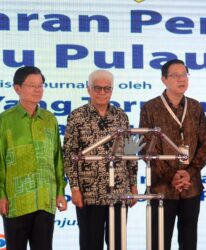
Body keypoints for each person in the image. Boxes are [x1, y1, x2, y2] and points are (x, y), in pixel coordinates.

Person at [0, 66, 67, 250]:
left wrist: (60, 191)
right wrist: (0, 194)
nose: (37, 90)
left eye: (40, 85)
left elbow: (57, 158)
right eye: (32, 85)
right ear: (17, 88)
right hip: (16, 200)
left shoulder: (50, 119)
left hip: (45, 197)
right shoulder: (5, 119)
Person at [63, 70, 138, 250]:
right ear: (88, 89)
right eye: (97, 88)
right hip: (89, 192)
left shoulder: (122, 116)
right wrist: (74, 188)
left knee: (117, 244)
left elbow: (130, 152)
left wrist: (133, 185)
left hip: (118, 191)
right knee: (90, 244)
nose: (102, 92)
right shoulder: (77, 116)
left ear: (112, 90)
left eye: (107, 88)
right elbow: (69, 154)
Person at [139, 59, 206, 250]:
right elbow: (147, 148)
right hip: (162, 188)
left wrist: (189, 172)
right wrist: (172, 176)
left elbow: (204, 144)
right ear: (164, 80)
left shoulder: (195, 107)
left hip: (190, 186)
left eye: (184, 74)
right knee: (159, 242)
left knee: (189, 242)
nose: (181, 79)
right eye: (175, 75)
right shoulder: (150, 108)